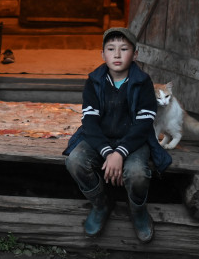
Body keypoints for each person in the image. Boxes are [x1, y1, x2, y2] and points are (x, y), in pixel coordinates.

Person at [63, 27, 172, 242]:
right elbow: (90, 122)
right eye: (111, 49)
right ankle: (101, 204)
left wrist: (120, 153)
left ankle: (138, 211)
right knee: (75, 161)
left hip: (134, 141)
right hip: (100, 139)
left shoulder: (143, 83)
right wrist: (107, 151)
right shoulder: (94, 82)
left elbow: (143, 124)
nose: (117, 54)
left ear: (135, 54)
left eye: (124, 49)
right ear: (103, 54)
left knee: (137, 173)